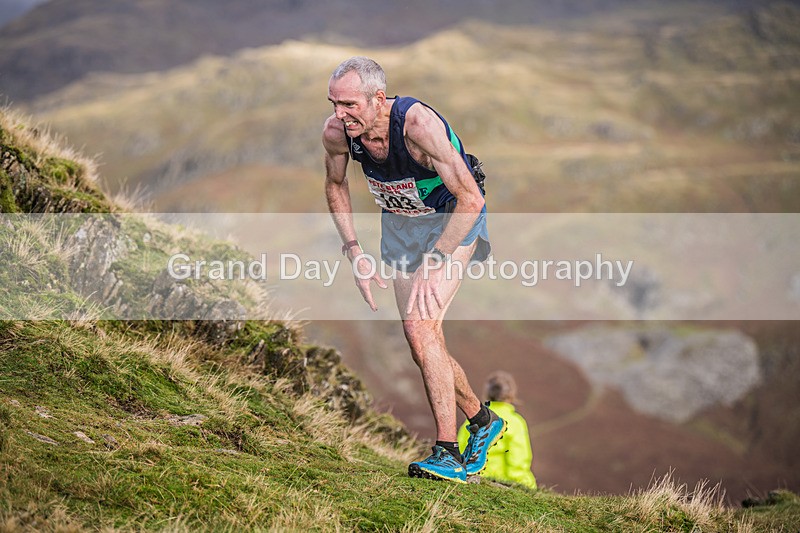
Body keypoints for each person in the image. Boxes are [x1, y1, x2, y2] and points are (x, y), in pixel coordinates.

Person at [323, 56, 505, 483]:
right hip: (402, 228)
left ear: (377, 99)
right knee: (421, 341)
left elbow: (471, 199)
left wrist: (436, 258)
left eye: (349, 104)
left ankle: (447, 453)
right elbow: (335, 184)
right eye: (333, 103)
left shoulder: (417, 126)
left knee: (421, 331)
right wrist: (354, 251)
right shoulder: (337, 134)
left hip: (451, 222)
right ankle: (482, 421)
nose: (339, 114)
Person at [458, 371, 537, 489]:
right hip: (503, 483)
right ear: (511, 394)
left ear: (487, 394)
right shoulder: (516, 422)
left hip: (472, 478)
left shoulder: (473, 420)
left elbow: (460, 451)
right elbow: (518, 460)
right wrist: (526, 485)